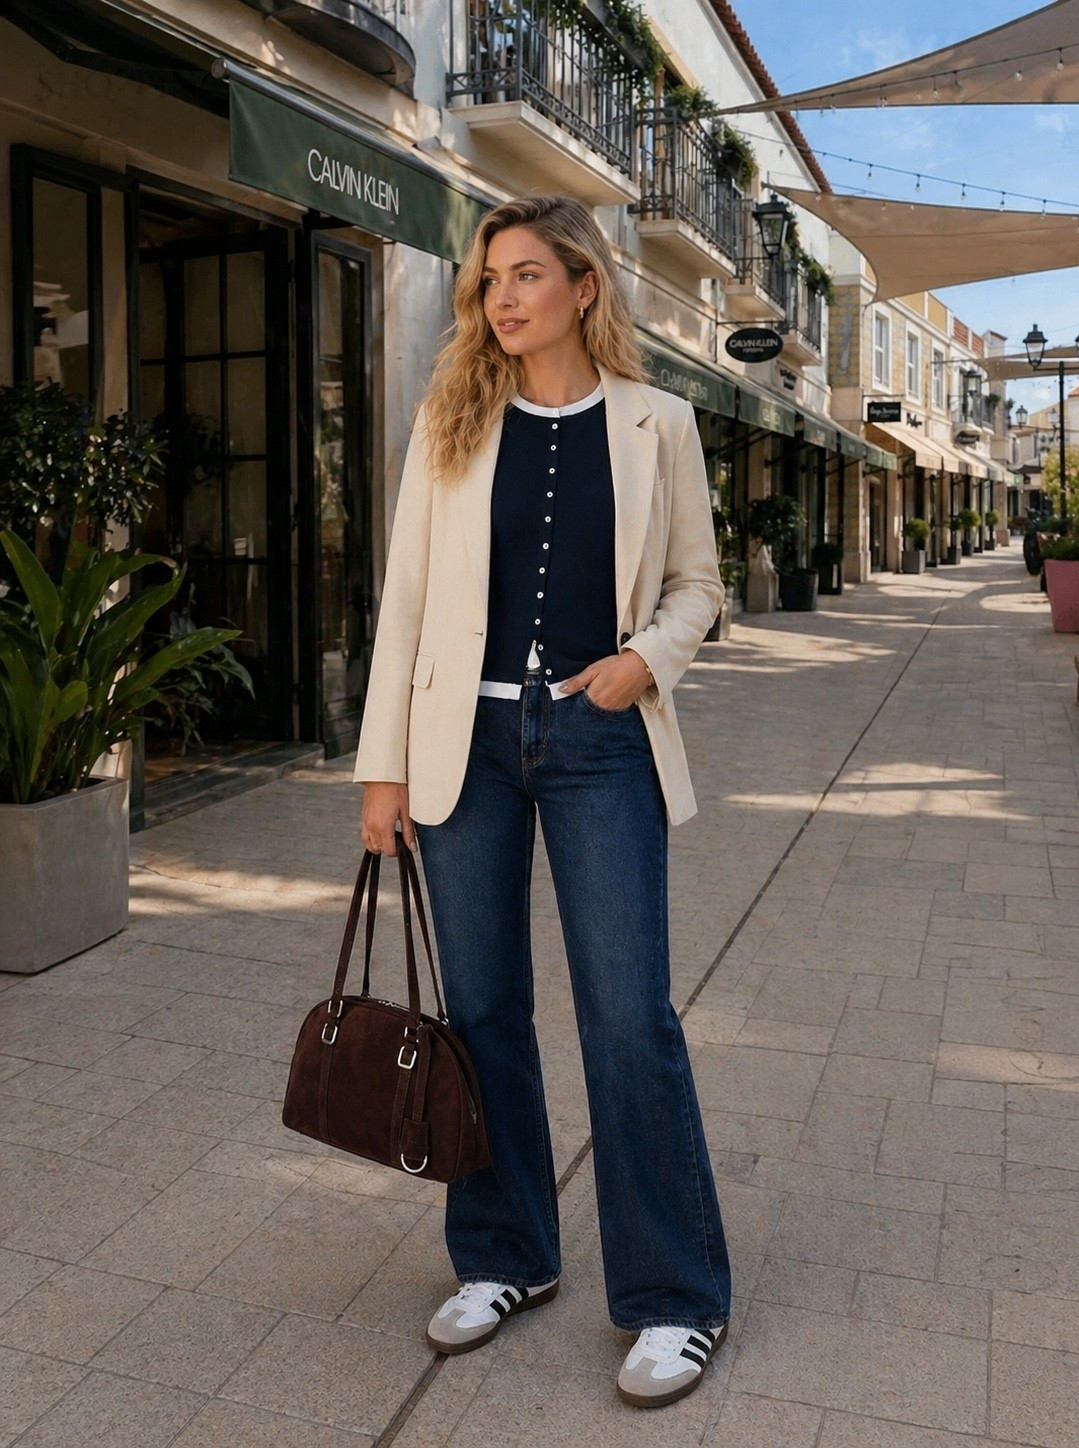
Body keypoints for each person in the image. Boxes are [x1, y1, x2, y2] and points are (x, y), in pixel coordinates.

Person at [357, 195, 731, 1408]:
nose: (503, 297)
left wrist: (643, 662)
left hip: (599, 737)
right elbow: (406, 601)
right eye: (489, 279)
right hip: (461, 738)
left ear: (583, 284)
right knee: (481, 1010)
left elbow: (698, 585)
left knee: (628, 1015)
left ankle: (675, 1292)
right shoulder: (452, 418)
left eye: (526, 273)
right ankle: (505, 1252)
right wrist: (381, 768)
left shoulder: (660, 422)